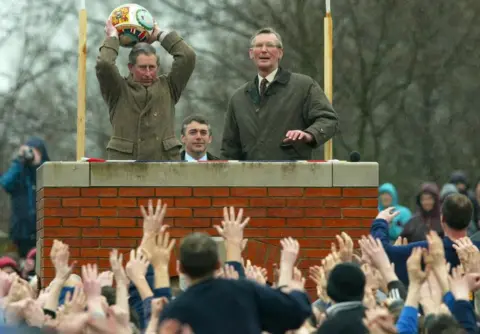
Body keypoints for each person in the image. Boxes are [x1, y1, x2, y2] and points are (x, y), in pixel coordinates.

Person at [220, 27, 338, 161]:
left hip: (293, 176)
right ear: (251, 53)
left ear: (280, 53)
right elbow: (229, 149)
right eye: (259, 46)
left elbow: (328, 119)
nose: (264, 50)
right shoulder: (239, 98)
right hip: (251, 179)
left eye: (270, 45)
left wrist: (309, 134)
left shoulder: (303, 86)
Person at [159, 232, 312, 333]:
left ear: (180, 268)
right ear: (218, 264)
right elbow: (292, 313)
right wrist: (297, 292)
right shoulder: (245, 291)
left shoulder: (173, 310)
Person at [96, 19, 196, 161]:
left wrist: (160, 35)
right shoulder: (118, 90)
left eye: (152, 67)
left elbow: (188, 56)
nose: (148, 73)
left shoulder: (169, 86)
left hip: (164, 167)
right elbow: (105, 64)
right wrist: (113, 38)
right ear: (131, 68)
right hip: (125, 169)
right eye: (143, 68)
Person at [371, 193, 480, 285]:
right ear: (469, 220)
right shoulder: (477, 249)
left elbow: (381, 252)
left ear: (442, 218)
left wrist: (380, 221)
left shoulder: (424, 250)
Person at [0, 137, 50, 258]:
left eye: (34, 151)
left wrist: (40, 163)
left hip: (44, 230)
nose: (31, 154)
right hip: (21, 233)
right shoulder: (19, 171)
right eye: (29, 151)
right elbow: (5, 183)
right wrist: (20, 161)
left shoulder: (47, 170)